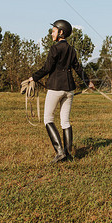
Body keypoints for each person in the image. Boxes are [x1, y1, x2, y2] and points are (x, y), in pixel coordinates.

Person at [28, 19, 94, 163]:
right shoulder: (71, 50)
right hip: (69, 89)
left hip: (56, 88)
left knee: (48, 119)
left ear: (61, 32)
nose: (52, 33)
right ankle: (68, 154)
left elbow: (47, 68)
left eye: (53, 31)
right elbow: (78, 68)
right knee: (65, 121)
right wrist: (88, 82)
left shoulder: (55, 48)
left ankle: (59, 152)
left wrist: (33, 77)